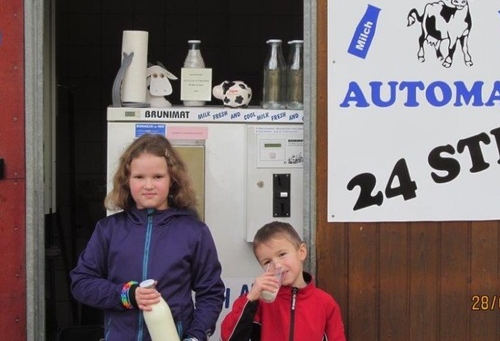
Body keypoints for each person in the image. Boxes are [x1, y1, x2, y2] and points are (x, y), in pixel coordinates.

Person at [70, 133, 225, 341]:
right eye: (139, 177)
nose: (148, 185)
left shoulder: (194, 232)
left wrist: (196, 336)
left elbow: (211, 293)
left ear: (173, 180)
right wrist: (127, 295)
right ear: (127, 181)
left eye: (158, 177)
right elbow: (81, 283)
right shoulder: (108, 229)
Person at [220, 221, 346, 341]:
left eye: (282, 254)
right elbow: (228, 337)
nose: (277, 265)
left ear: (301, 252)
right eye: (267, 262)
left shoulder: (325, 303)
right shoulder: (257, 302)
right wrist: (251, 299)